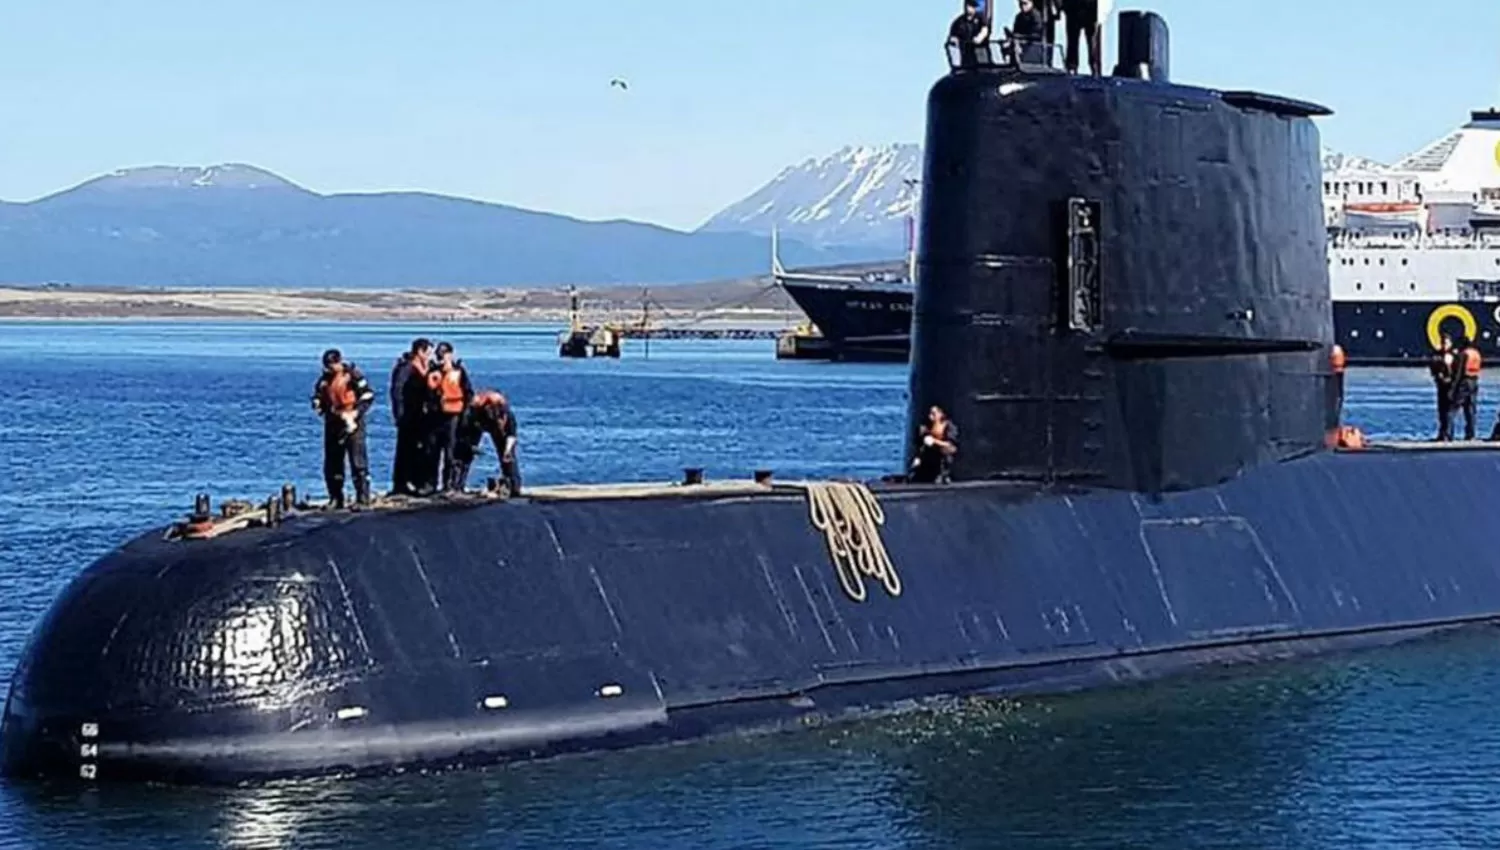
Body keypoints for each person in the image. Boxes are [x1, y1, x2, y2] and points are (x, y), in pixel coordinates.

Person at [310, 348, 375, 509]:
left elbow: (367, 395)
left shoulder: (353, 375)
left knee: (357, 460)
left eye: (331, 365)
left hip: (352, 422)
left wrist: (356, 413)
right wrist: (318, 403)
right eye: (327, 366)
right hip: (333, 422)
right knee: (333, 462)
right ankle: (335, 497)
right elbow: (318, 394)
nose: (329, 369)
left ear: (339, 362)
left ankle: (362, 498)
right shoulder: (325, 380)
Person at [453, 390, 521, 495]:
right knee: (464, 454)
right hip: (476, 421)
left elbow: (511, 436)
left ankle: (513, 486)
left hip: (493, 423)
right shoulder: (474, 409)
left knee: (508, 457)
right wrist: (470, 445)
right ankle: (457, 486)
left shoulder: (506, 414)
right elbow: (465, 431)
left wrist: (507, 451)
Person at [393, 338, 439, 495]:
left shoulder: (429, 368)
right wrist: (399, 414)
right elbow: (397, 392)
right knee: (405, 449)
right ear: (420, 351)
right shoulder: (406, 368)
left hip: (424, 415)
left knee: (424, 448)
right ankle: (402, 483)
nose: (430, 356)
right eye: (428, 353)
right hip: (408, 414)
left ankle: (420, 482)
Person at [430, 341, 474, 492]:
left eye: (443, 354)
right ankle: (432, 485)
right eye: (439, 355)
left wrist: (465, 416)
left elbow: (468, 393)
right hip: (436, 417)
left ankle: (449, 485)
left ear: (450, 354)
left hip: (454, 416)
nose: (441, 358)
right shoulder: (433, 371)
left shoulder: (459, 371)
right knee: (433, 452)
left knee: (450, 452)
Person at [910, 405, 960, 484]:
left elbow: (950, 444)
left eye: (934, 414)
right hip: (930, 455)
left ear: (940, 414)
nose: (930, 416)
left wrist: (934, 441)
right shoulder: (926, 427)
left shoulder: (948, 426)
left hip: (944, 454)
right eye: (930, 414)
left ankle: (944, 474)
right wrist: (918, 457)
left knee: (946, 450)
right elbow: (920, 445)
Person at [1061, 0, 1103, 76]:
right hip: (1073, 8)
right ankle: (1072, 66)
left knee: (1092, 41)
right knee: (1073, 40)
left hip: (1090, 9)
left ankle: (1094, 67)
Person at [1453, 336, 1482, 440]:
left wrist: (1454, 388)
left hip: (1464, 381)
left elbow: (1460, 372)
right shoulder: (1476, 354)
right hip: (1474, 381)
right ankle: (1471, 434)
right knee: (1471, 410)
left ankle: (1448, 432)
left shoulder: (1464, 354)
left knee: (1453, 408)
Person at [948, 1, 991, 69]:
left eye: (972, 6)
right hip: (966, 54)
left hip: (981, 53)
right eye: (968, 5)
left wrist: (979, 37)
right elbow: (953, 37)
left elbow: (985, 29)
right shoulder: (959, 22)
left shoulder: (980, 19)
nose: (969, 8)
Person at [1429, 333, 1457, 441]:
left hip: (1451, 386)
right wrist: (1437, 375)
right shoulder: (1437, 355)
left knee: (1449, 411)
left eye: (1446, 343)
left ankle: (1448, 434)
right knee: (1441, 410)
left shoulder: (1454, 355)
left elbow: (1457, 370)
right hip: (1441, 385)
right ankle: (1442, 433)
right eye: (1442, 343)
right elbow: (1433, 366)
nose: (1444, 345)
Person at [1004, 0, 1047, 65]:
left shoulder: (1036, 16)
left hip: (1033, 49)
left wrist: (1020, 36)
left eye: (1025, 3)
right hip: (1020, 48)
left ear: (1031, 3)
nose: (1022, 6)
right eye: (1020, 4)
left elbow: (1037, 35)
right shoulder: (1019, 17)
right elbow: (1015, 31)